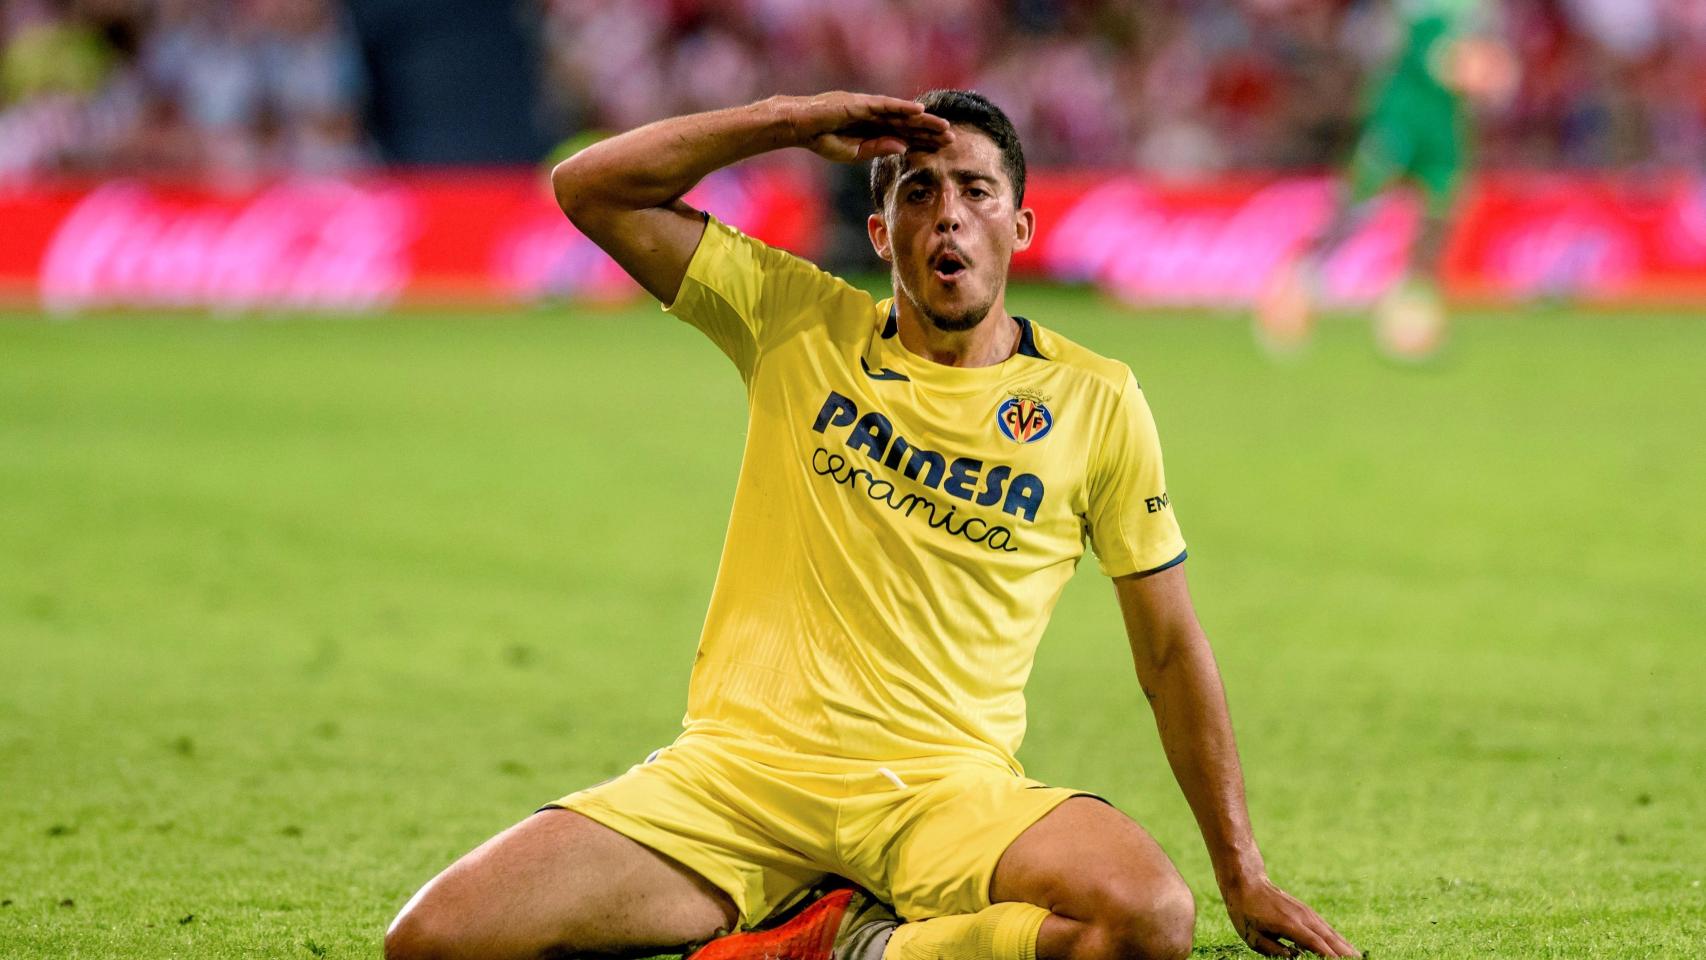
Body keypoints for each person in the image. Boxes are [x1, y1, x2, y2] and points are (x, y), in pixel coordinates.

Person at [384, 89, 1361, 960]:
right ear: (881, 230)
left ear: (1018, 227)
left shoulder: (1096, 402)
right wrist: (790, 122)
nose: (949, 216)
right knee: (433, 941)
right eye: (919, 192)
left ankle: (847, 941)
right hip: (736, 784)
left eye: (976, 192)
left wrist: (1239, 870)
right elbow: (590, 188)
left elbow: (1167, 647)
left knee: (1146, 918)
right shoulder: (793, 320)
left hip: (941, 796)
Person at [1257, 0, 1515, 360]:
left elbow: (1485, 59)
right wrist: (1484, 70)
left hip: (1445, 121)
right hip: (1402, 112)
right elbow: (1443, 59)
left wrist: (1490, 68)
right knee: (1357, 207)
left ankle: (1411, 307)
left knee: (1442, 210)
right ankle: (1296, 288)